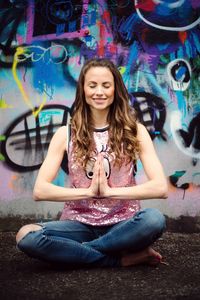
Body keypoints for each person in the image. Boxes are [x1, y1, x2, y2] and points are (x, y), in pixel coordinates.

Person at [16, 58, 168, 268]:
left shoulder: (135, 131)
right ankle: (119, 259)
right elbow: (40, 190)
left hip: (122, 226)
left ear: (115, 90)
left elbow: (160, 187)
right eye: (92, 85)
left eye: (106, 85)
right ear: (83, 90)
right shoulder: (65, 134)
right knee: (26, 236)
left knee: (154, 219)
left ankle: (78, 252)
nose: (99, 92)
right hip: (78, 225)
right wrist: (89, 192)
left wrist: (108, 192)